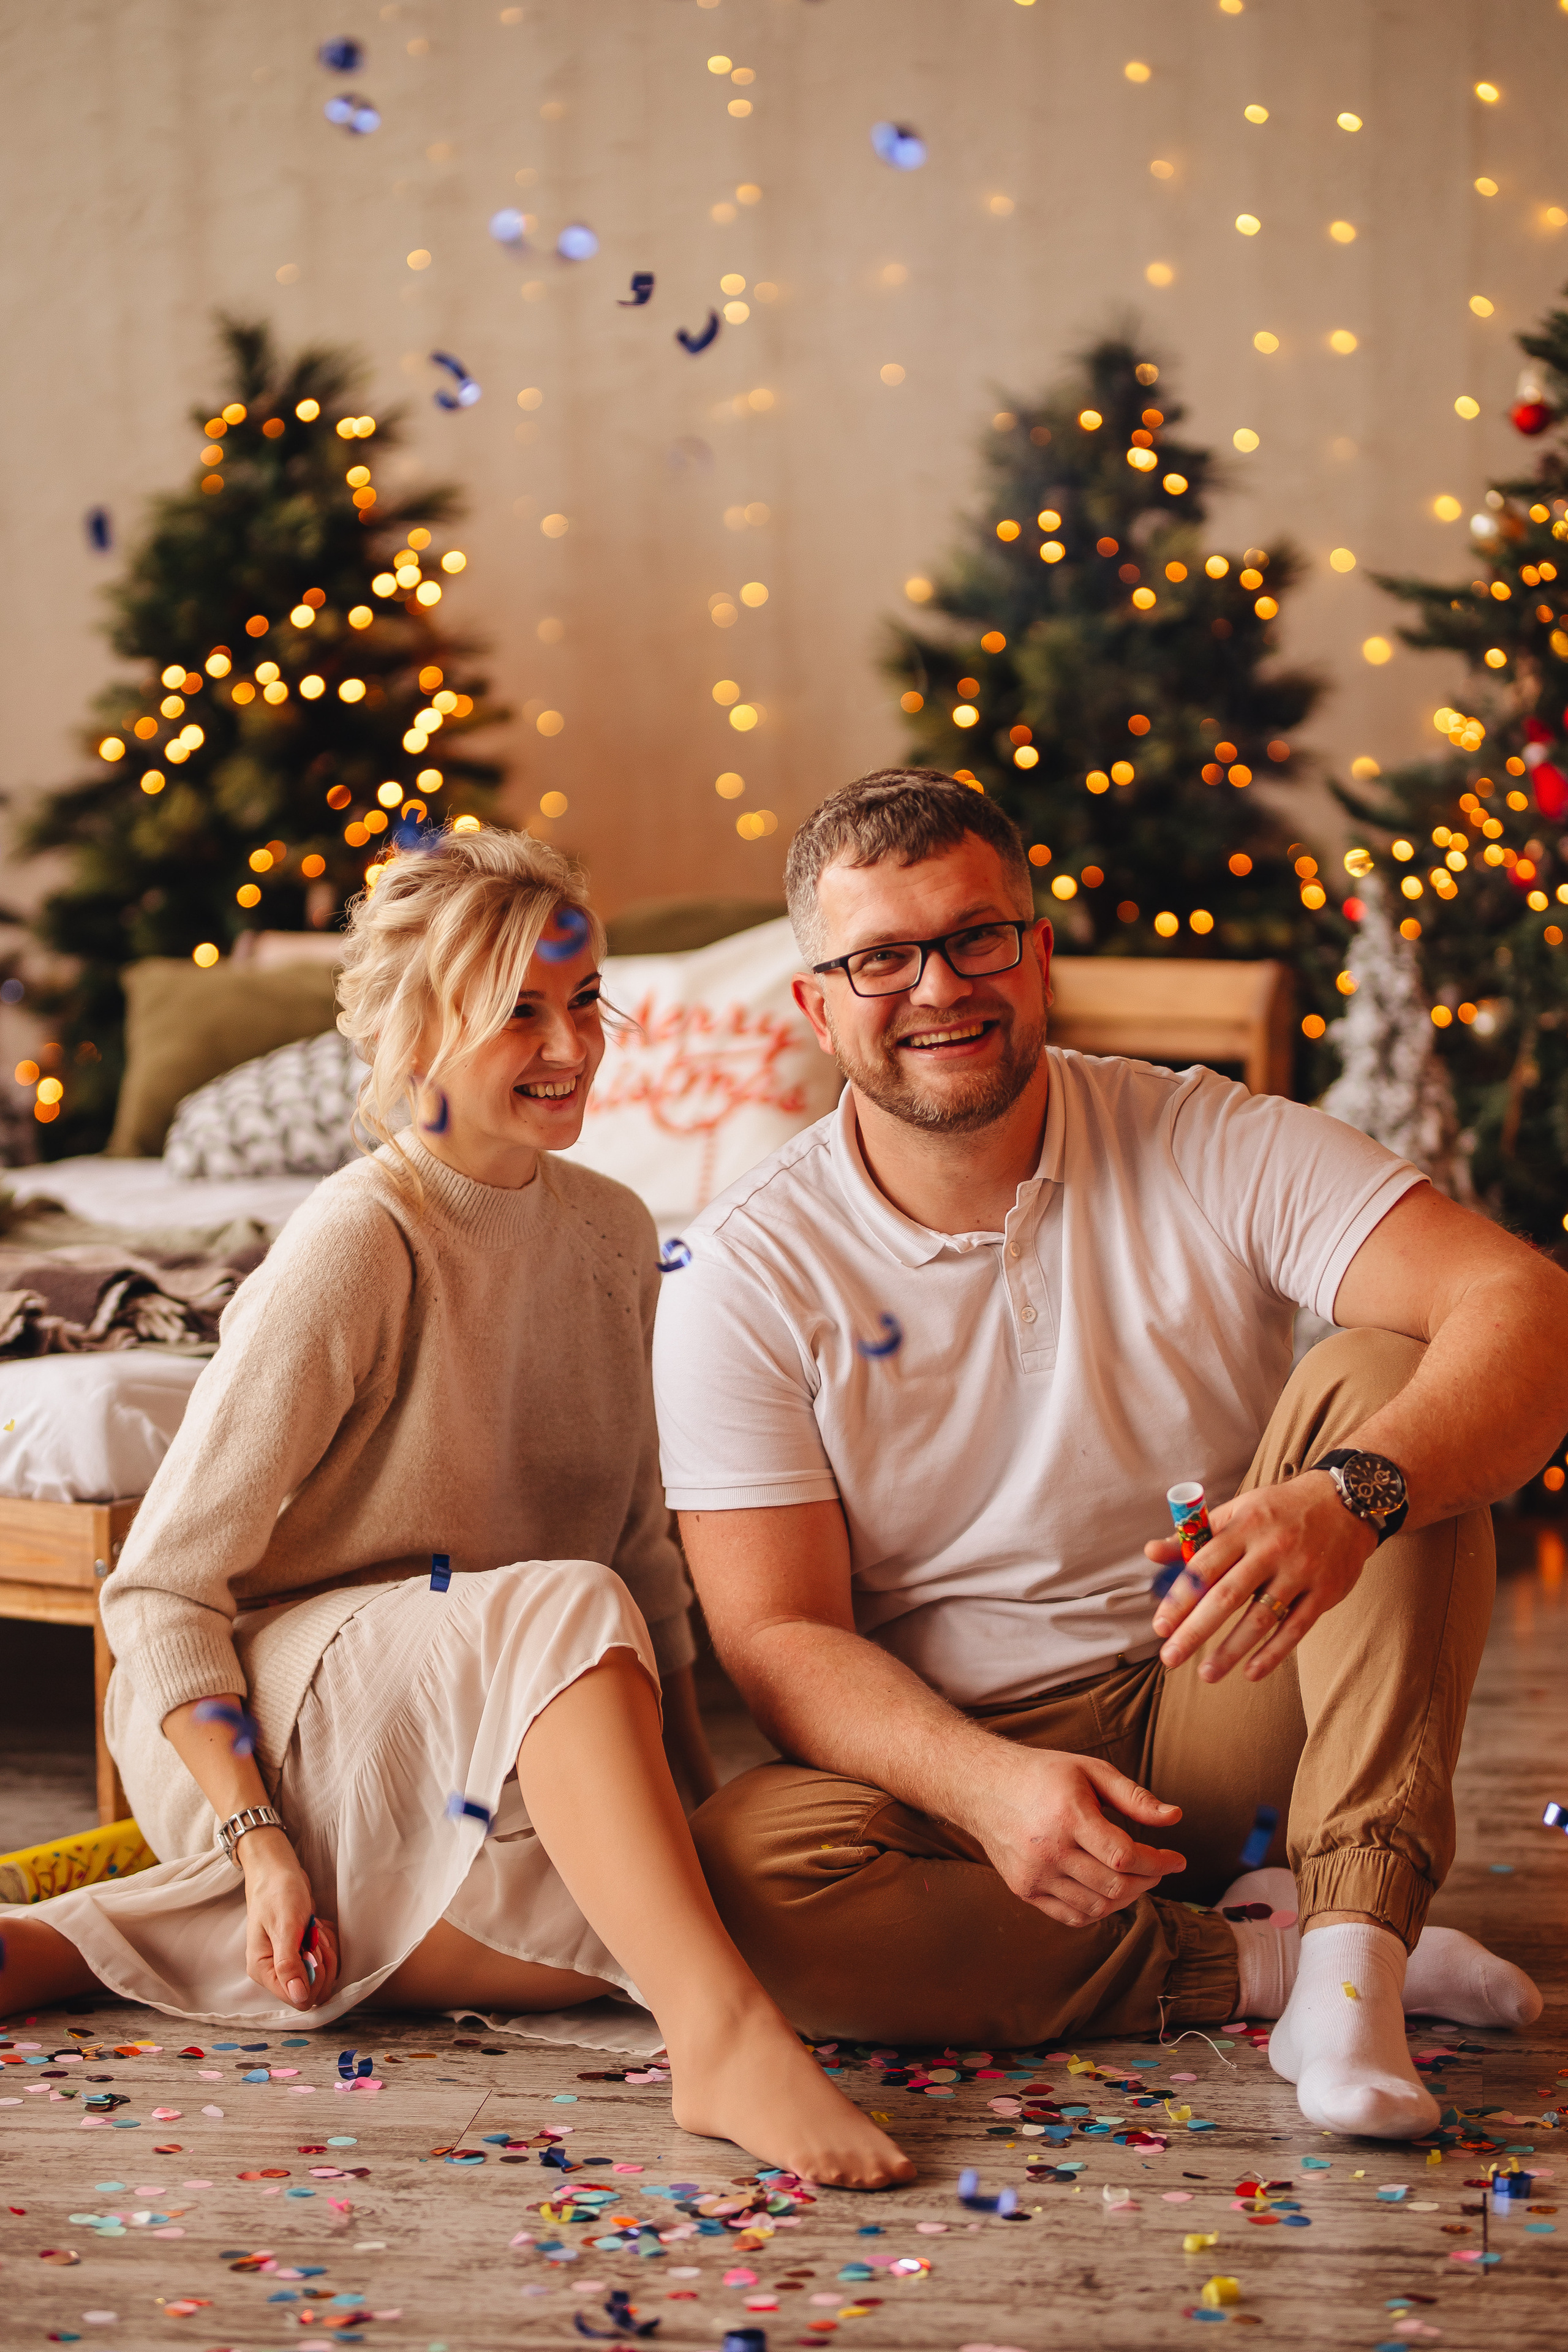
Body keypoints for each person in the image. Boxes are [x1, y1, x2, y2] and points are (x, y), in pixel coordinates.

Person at [655, 771, 1567, 2142]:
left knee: (1386, 1388)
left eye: (975, 938)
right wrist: (983, 1783)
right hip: (976, 1767)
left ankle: (1359, 1947)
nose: (937, 989)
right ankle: (1270, 1962)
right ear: (817, 1004)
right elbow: (776, 1633)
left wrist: (1348, 1493)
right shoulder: (740, 1270)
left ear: (1035, 953)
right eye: (879, 959)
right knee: (740, 1872)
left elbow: (1527, 1312)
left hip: (1226, 1671)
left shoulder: (1202, 1137)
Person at [0, 827, 913, 2190]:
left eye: (585, 1000)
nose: (572, 1046)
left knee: (673, 1897)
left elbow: (636, 1551)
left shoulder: (612, 1234)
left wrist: (700, 1816)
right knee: (577, 1634)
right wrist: (255, 1848)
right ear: (423, 1031)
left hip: (486, 1719)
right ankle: (718, 2040)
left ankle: (65, 1947)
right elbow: (161, 1590)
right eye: (519, 1013)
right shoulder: (358, 1237)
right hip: (265, 1723)